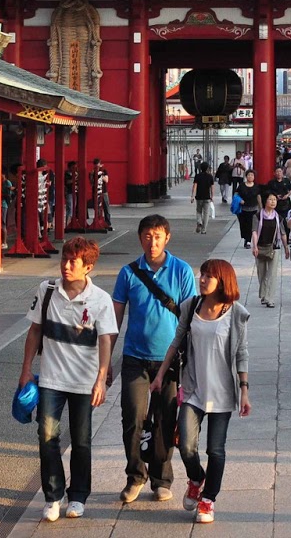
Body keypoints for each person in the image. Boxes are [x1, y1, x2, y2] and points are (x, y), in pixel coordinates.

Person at [20, 237, 118, 521]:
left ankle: (78, 496)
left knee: (81, 440)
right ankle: (53, 495)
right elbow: (34, 332)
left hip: (84, 382)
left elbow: (105, 341)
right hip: (51, 378)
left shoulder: (100, 300)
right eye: (64, 258)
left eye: (73, 261)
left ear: (88, 267)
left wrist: (101, 379)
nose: (66, 265)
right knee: (46, 436)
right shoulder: (47, 290)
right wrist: (26, 369)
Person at [152, 259, 252, 525]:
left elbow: (241, 353)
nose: (203, 279)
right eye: (202, 274)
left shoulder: (236, 313)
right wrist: (160, 375)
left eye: (209, 276)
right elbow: (176, 341)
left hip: (222, 393)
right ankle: (197, 479)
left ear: (223, 280)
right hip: (194, 389)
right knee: (185, 445)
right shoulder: (191, 306)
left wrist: (244, 389)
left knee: (216, 450)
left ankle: (208, 499)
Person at [110, 215, 198, 502]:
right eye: (147, 235)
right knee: (132, 417)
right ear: (140, 238)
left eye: (158, 235)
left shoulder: (182, 271)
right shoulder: (128, 273)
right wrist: (106, 363)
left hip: (169, 360)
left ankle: (162, 478)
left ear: (167, 238)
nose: (152, 241)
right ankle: (135, 474)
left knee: (164, 419)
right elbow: (115, 319)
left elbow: (190, 317)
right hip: (135, 357)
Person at [251, 191, 286, 307]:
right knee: (262, 273)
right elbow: (255, 231)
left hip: (274, 247)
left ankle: (270, 298)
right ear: (265, 201)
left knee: (272, 274)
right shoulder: (257, 216)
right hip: (260, 247)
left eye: (275, 200)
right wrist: (255, 246)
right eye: (270, 199)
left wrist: (286, 247)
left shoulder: (278, 217)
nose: (273, 202)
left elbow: (283, 233)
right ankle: (264, 294)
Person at [234, 172, 260, 250]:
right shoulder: (242, 186)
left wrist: (261, 207)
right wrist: (239, 200)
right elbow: (236, 194)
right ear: (246, 176)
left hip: (254, 209)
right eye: (249, 175)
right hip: (243, 209)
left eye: (252, 175)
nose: (250, 176)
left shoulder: (256, 186)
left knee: (251, 225)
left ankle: (248, 241)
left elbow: (258, 197)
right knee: (244, 225)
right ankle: (246, 237)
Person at [193, 162, 216, 234]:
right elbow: (212, 188)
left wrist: (192, 196)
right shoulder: (210, 176)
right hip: (207, 197)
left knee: (198, 211)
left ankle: (199, 221)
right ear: (207, 168)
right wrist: (212, 196)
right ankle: (204, 230)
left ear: (200, 168)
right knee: (206, 213)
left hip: (199, 197)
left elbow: (195, 186)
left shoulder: (197, 176)